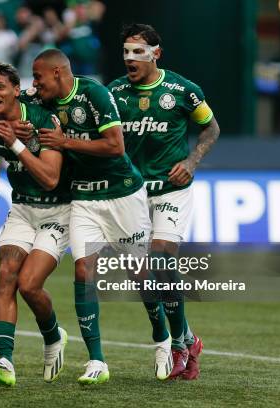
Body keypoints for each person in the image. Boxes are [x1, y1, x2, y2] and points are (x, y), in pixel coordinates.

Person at [26, 48, 152, 385]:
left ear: (57, 72)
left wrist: (65, 141)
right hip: (83, 195)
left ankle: (167, 338)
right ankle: (97, 360)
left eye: (38, 77)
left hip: (122, 192)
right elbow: (20, 103)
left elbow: (115, 146)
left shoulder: (94, 93)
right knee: (83, 270)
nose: (36, 84)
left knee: (140, 275)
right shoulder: (45, 102)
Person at [108, 23, 220, 380]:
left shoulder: (182, 90)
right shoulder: (114, 93)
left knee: (161, 256)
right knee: (141, 276)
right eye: (126, 51)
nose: (130, 58)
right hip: (132, 193)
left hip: (171, 189)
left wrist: (191, 162)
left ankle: (176, 345)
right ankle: (186, 337)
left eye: (138, 52)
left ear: (156, 54)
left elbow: (211, 128)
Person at [0, 62, 70, 387]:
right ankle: (5, 360)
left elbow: (51, 179)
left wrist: (17, 145)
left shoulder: (40, 117)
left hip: (57, 211)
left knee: (29, 285)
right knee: (6, 274)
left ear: (15, 89)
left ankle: (53, 336)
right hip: (22, 210)